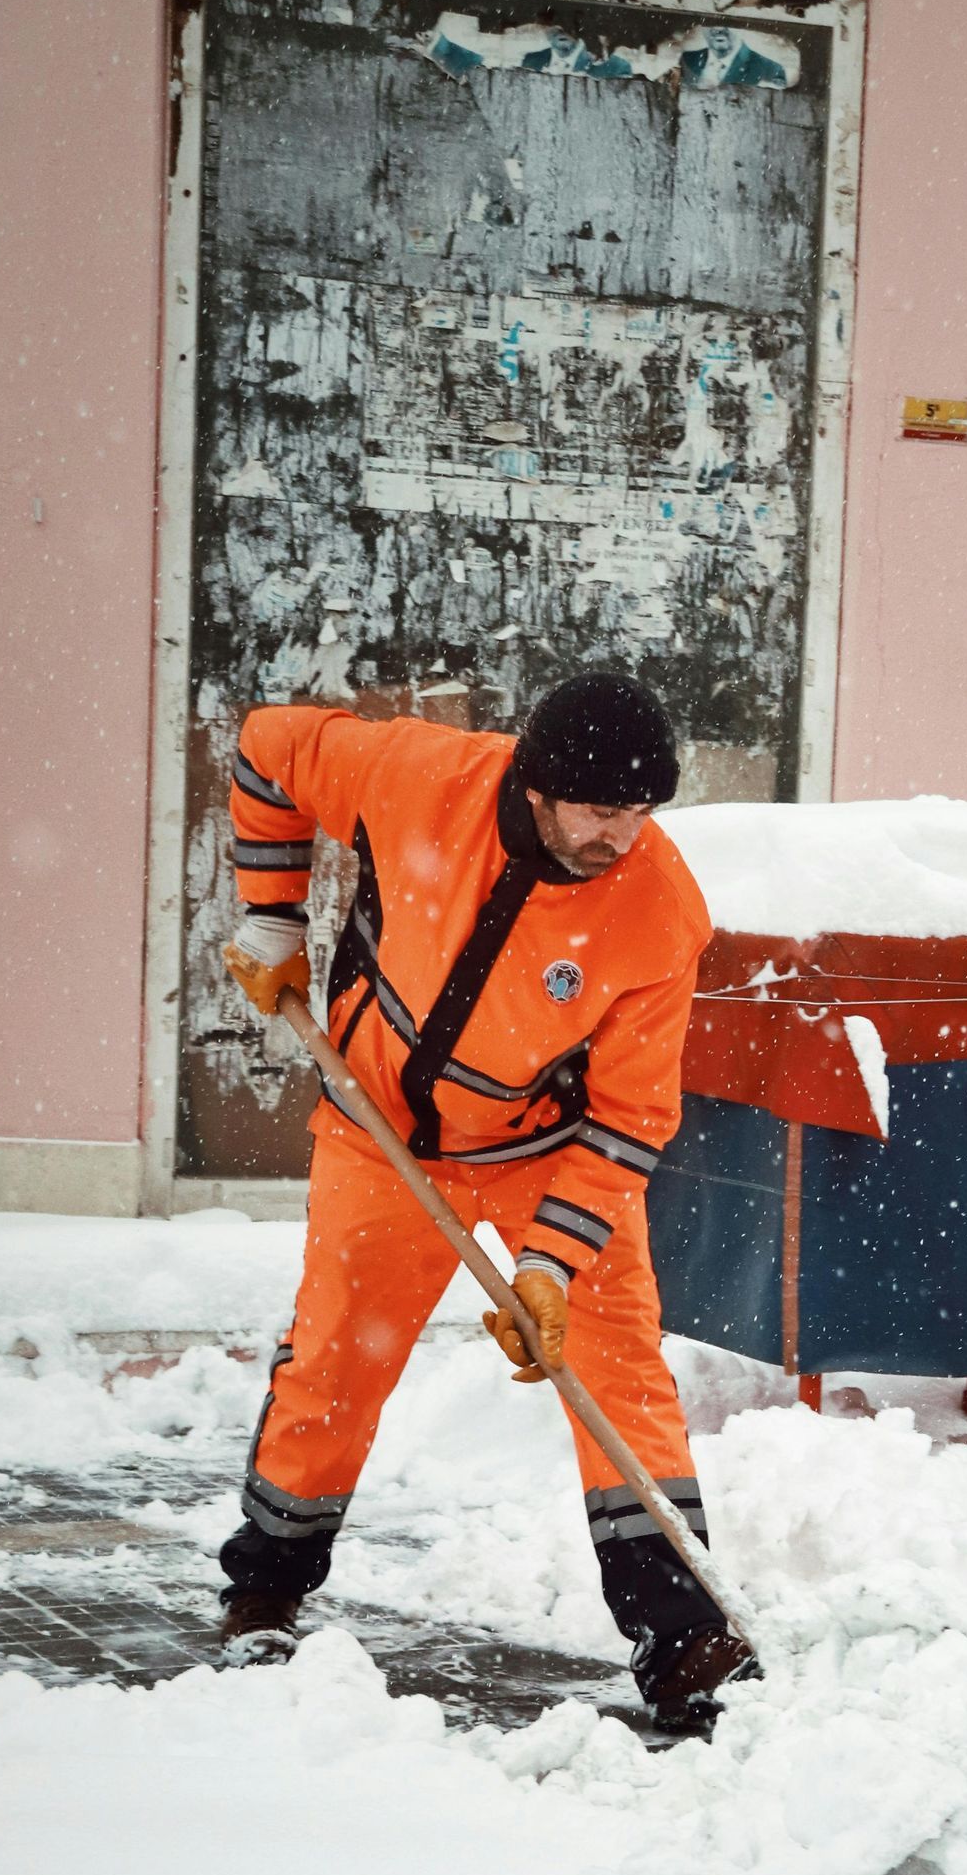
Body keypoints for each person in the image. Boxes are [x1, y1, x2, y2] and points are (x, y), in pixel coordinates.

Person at [217, 671, 757, 1736]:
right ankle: (267, 1585)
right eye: (603, 811)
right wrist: (269, 913)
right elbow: (266, 749)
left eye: (643, 812)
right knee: (338, 1357)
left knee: (619, 1368)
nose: (624, 836)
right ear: (542, 786)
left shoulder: (660, 911)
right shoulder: (417, 778)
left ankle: (682, 1632)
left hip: (547, 1149)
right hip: (379, 1130)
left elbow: (631, 1118)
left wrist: (549, 1263)